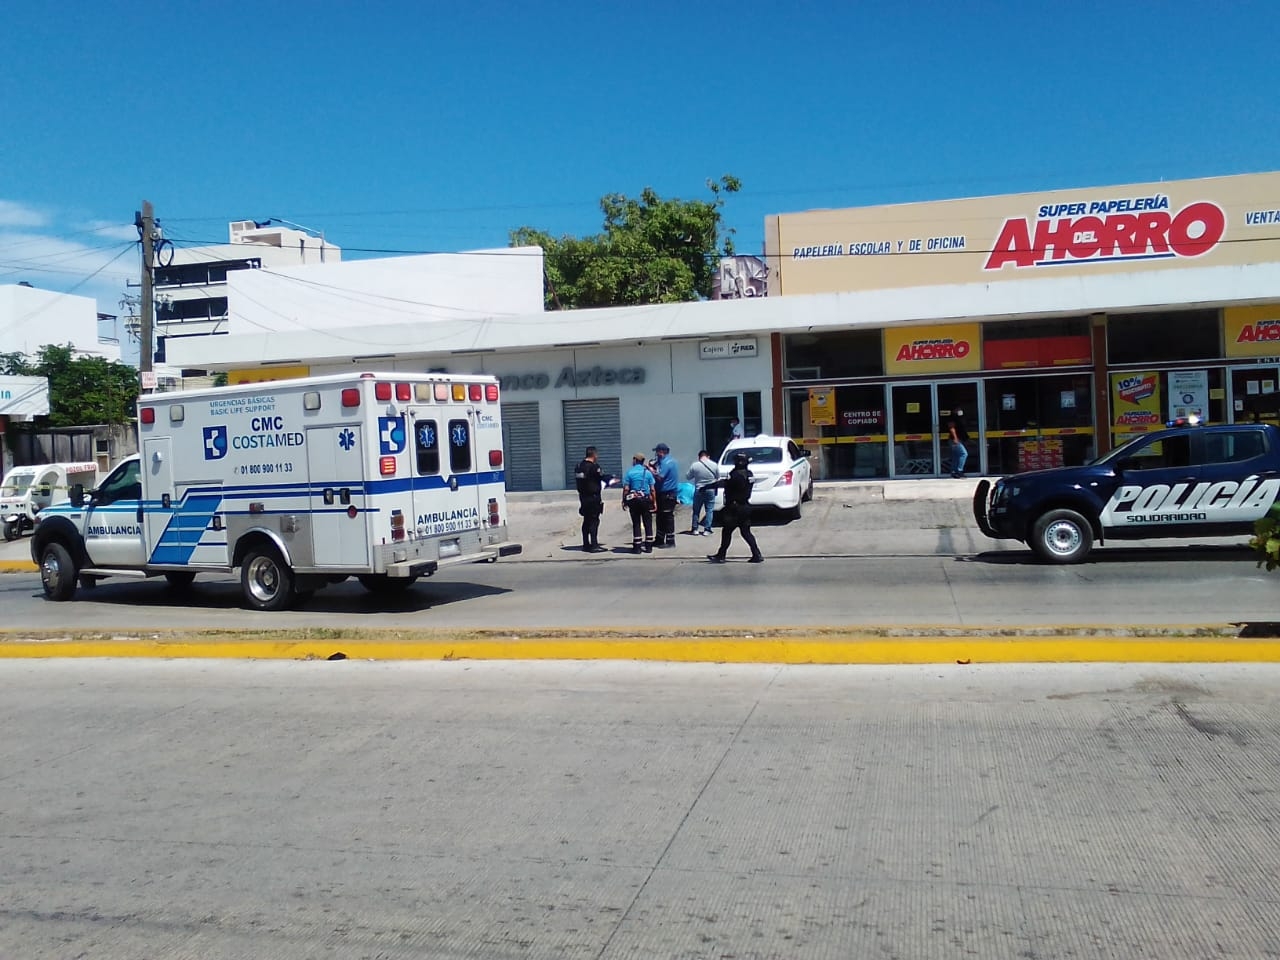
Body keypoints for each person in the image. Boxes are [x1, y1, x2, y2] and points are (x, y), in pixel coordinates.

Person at [706, 451, 763, 563]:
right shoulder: (749, 474)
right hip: (745, 506)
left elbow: (726, 483)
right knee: (746, 532)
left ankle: (721, 555)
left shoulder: (736, 475)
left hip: (735, 508)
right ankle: (757, 554)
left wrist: (709, 486)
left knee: (727, 531)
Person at [573, 446, 611, 552]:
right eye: (596, 455)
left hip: (583, 497)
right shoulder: (594, 467)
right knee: (594, 521)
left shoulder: (579, 466)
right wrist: (611, 478)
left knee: (586, 520)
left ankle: (586, 544)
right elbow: (601, 477)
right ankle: (594, 545)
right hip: (593, 497)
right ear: (594, 455)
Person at [620, 452, 656, 553]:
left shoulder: (629, 472)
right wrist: (654, 502)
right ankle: (649, 547)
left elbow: (626, 488)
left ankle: (637, 547)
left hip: (634, 501)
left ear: (635, 460)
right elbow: (652, 489)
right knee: (648, 523)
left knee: (636, 523)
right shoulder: (648, 473)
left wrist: (624, 500)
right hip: (645, 500)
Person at [651, 442, 680, 547]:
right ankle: (659, 539)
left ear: (661, 452)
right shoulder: (672, 461)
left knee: (667, 516)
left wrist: (651, 471)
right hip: (666, 493)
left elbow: (660, 477)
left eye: (657, 452)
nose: (656, 455)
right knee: (660, 516)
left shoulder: (666, 463)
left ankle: (670, 540)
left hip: (666, 493)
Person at [686, 449, 718, 536]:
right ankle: (707, 529)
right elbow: (718, 477)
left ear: (699, 457)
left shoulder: (695, 465)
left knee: (696, 510)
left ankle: (695, 529)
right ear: (708, 456)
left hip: (699, 489)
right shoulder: (714, 465)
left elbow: (688, 477)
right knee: (709, 510)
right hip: (710, 490)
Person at [947, 410, 970, 479]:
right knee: (964, 454)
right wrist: (955, 438)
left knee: (956, 456)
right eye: (958, 409)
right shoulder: (953, 418)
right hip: (955, 440)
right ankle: (959, 471)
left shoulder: (959, 419)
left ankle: (954, 471)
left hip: (957, 439)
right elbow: (952, 428)